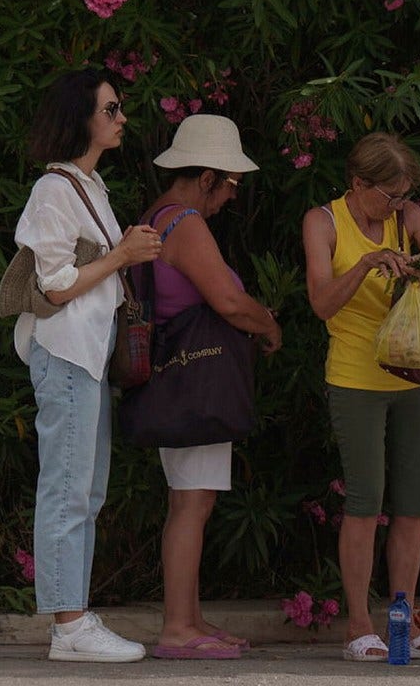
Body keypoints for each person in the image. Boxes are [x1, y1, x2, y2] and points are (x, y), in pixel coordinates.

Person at [11, 69, 160, 663]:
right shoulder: (53, 191)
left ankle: (72, 615)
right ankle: (69, 625)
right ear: (82, 118)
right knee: (68, 489)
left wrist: (120, 252)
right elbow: (53, 284)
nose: (121, 117)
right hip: (66, 352)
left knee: (85, 489)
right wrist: (123, 254)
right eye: (112, 108)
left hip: (87, 357)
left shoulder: (88, 187)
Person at [300, 132, 420, 662]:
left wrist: (417, 265)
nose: (396, 205)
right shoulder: (322, 221)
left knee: (414, 503)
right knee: (364, 502)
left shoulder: (408, 215)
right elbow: (322, 303)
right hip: (354, 378)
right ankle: (357, 626)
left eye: (402, 196)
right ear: (357, 183)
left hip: (413, 376)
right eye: (388, 196)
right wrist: (367, 263)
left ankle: (405, 622)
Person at [137, 115, 282, 659]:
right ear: (206, 178)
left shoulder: (154, 217)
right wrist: (268, 324)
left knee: (189, 500)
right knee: (191, 504)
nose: (231, 196)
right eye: (231, 184)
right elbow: (225, 300)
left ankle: (190, 617)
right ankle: (178, 627)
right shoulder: (186, 223)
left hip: (178, 379)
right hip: (195, 380)